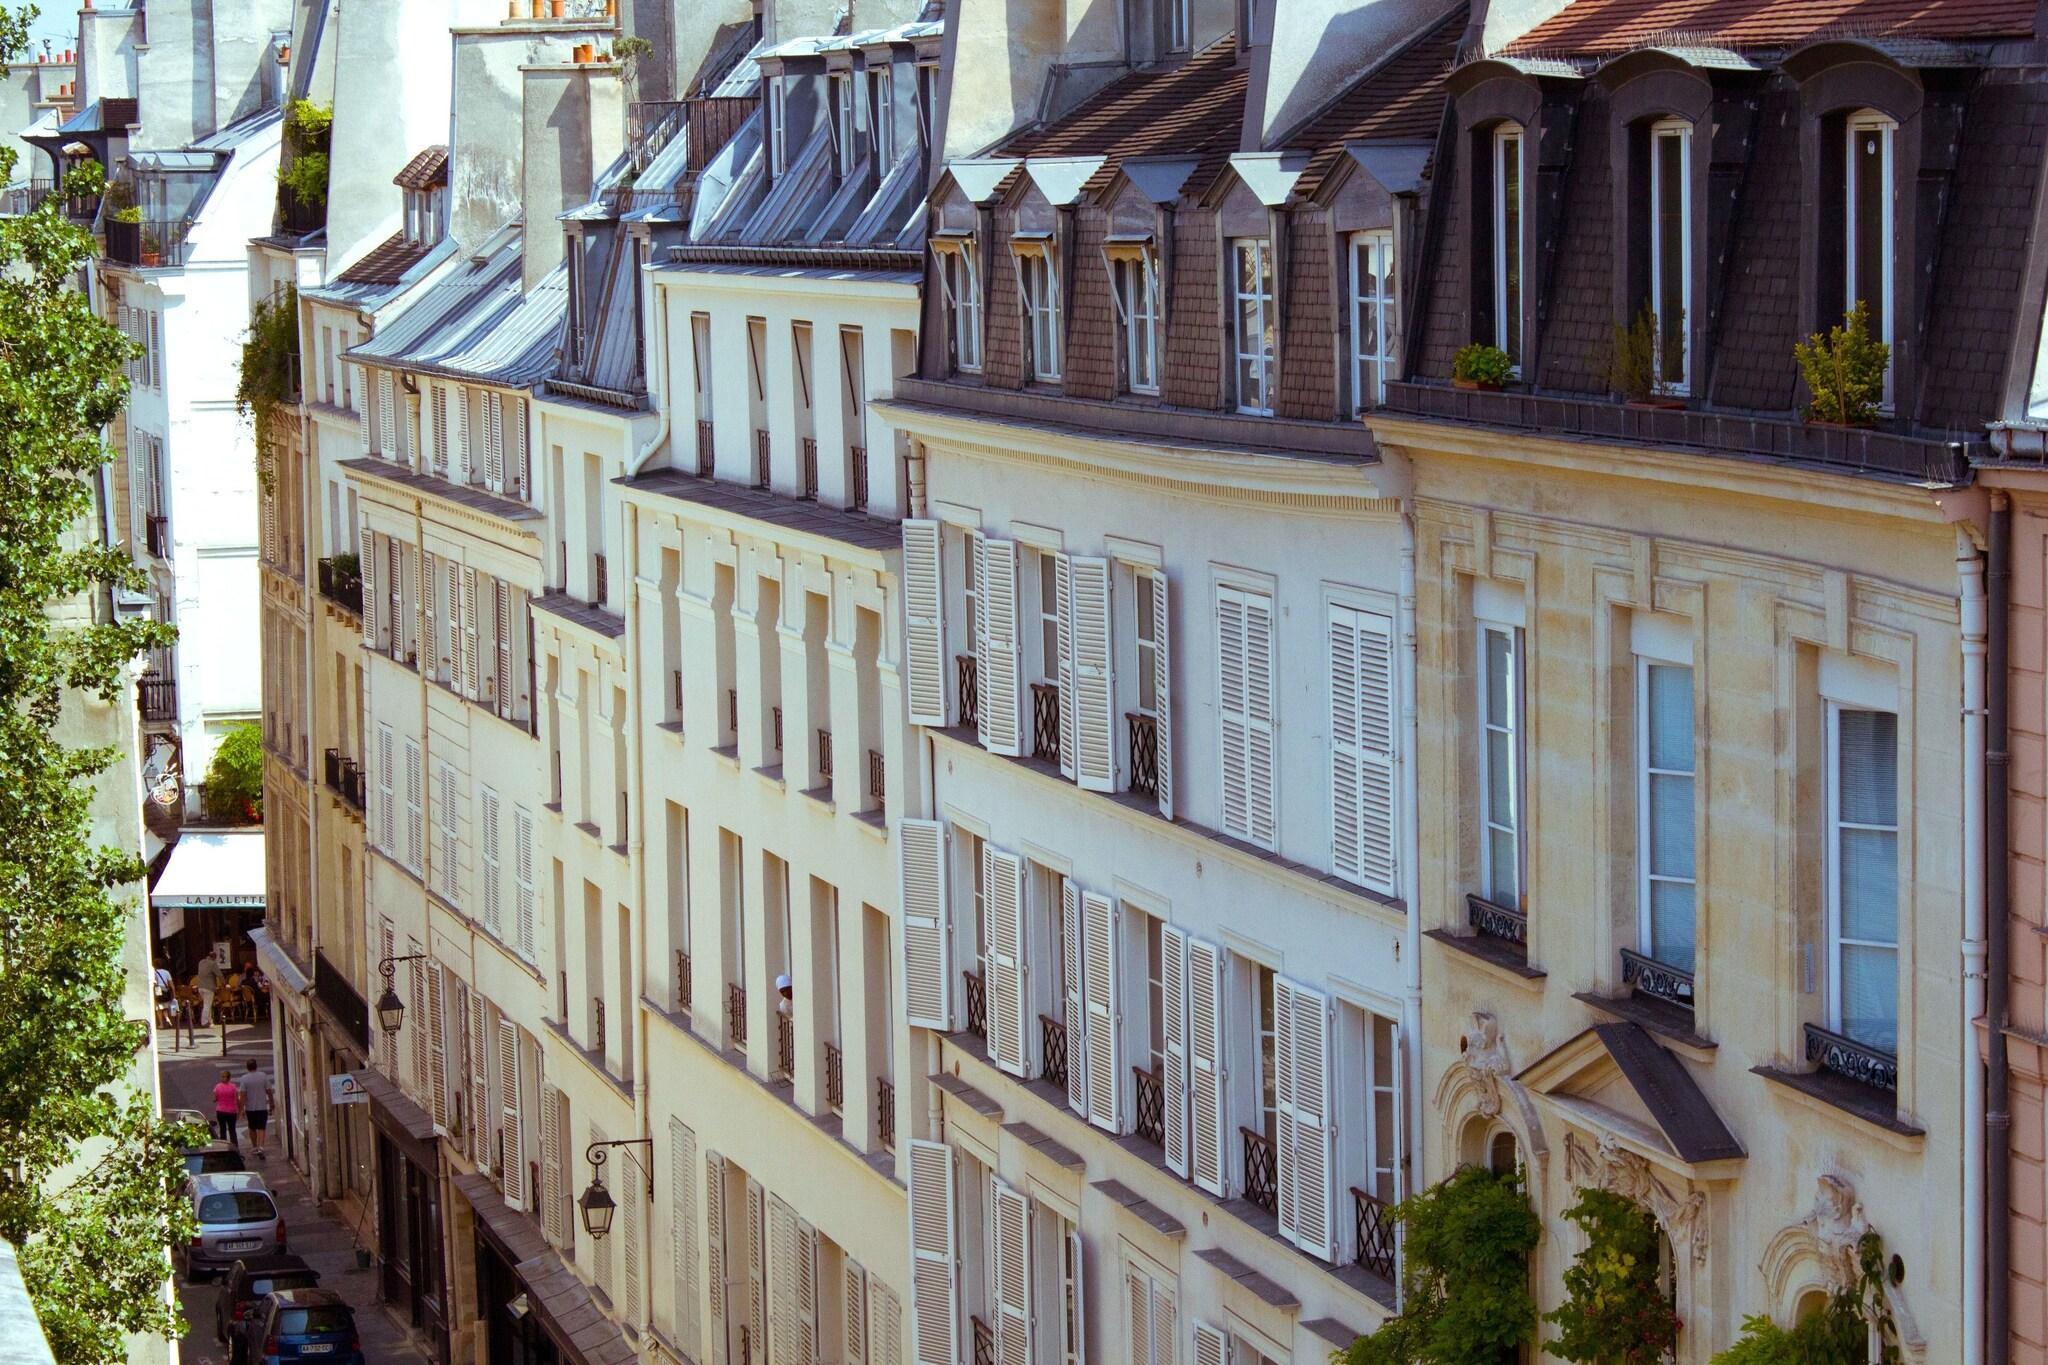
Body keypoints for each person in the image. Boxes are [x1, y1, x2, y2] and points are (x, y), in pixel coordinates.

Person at [238, 1059, 274, 1159]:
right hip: (262, 1106)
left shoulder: (244, 1079)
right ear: (256, 1066)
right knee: (262, 1127)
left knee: (252, 1127)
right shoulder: (263, 1076)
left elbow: (243, 1095)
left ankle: (254, 1146)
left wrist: (241, 1108)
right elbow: (269, 1090)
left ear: (247, 1067)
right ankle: (261, 1146)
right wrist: (271, 1103)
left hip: (250, 1108)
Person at [212, 1068, 241, 1147]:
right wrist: (239, 1110)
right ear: (229, 1078)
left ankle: (223, 1147)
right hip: (231, 1111)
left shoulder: (217, 1087)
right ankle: (235, 1146)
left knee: (222, 1130)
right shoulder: (233, 1087)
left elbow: (215, 1099)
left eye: (222, 1076)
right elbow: (236, 1099)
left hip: (221, 1111)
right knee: (232, 1130)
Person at [194, 954, 221, 1027]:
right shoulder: (212, 963)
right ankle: (204, 1022)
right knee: (207, 1005)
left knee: (207, 1004)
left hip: (200, 987)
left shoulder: (201, 962)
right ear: (214, 958)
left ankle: (210, 1021)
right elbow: (219, 975)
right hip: (209, 987)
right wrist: (225, 984)